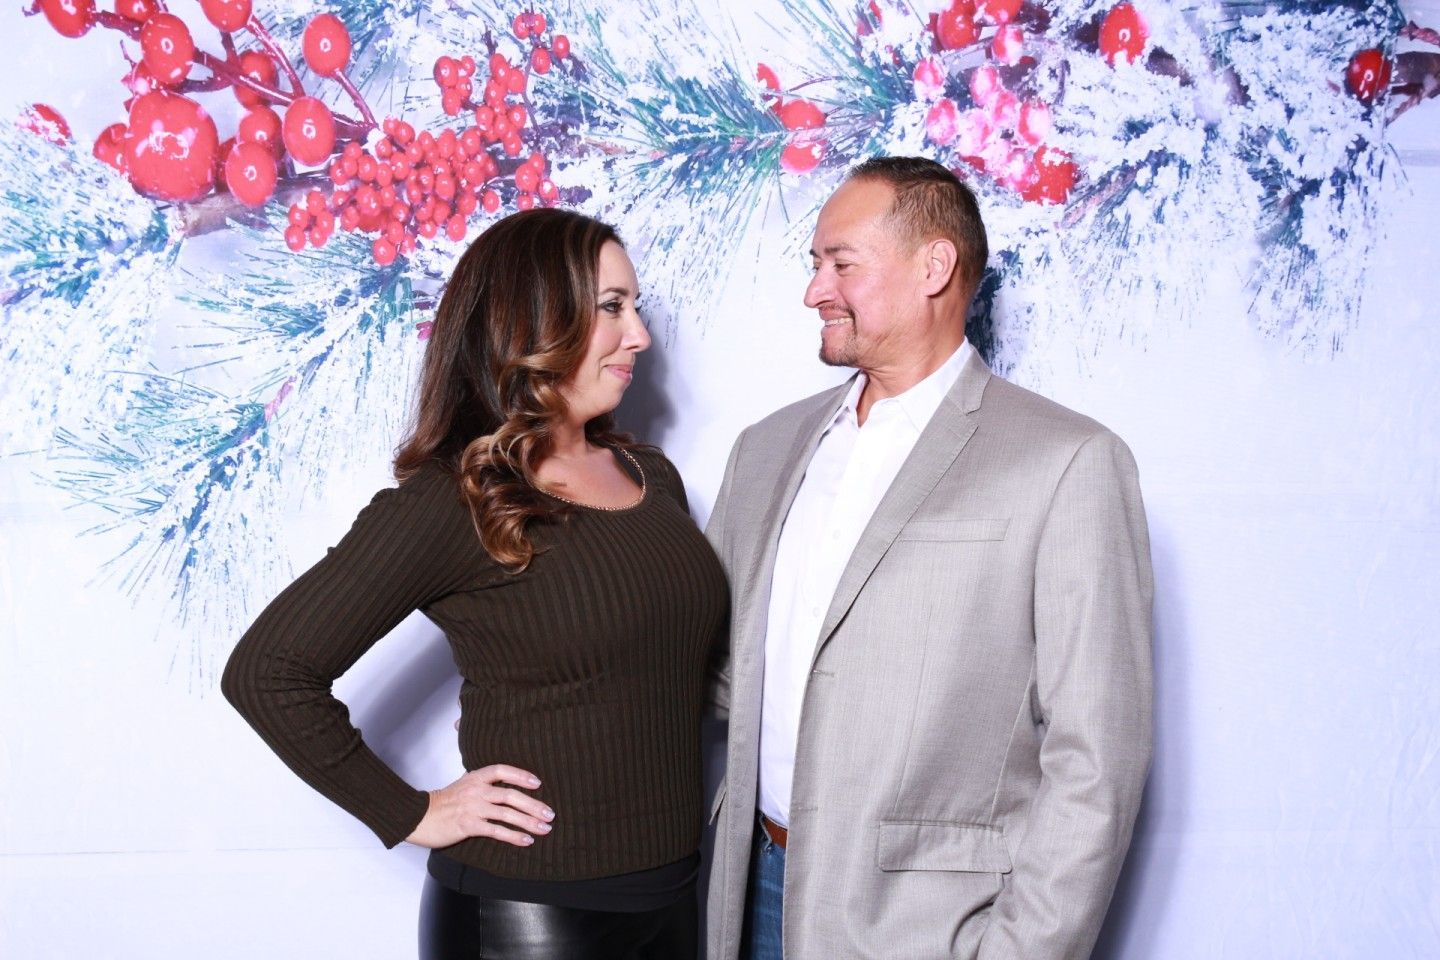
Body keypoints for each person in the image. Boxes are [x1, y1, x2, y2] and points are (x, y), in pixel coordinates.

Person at [222, 208, 728, 959]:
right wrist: (414, 812)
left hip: (678, 898)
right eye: (612, 308)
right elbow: (267, 672)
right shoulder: (456, 498)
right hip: (530, 918)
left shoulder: (649, 475)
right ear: (537, 319)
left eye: (637, 307)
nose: (640, 336)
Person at [703, 156, 1154, 960]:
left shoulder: (1067, 461)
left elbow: (1098, 756)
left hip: (929, 926)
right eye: (814, 265)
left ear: (934, 267)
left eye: (840, 264)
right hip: (747, 893)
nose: (814, 291)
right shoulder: (765, 450)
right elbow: (716, 681)